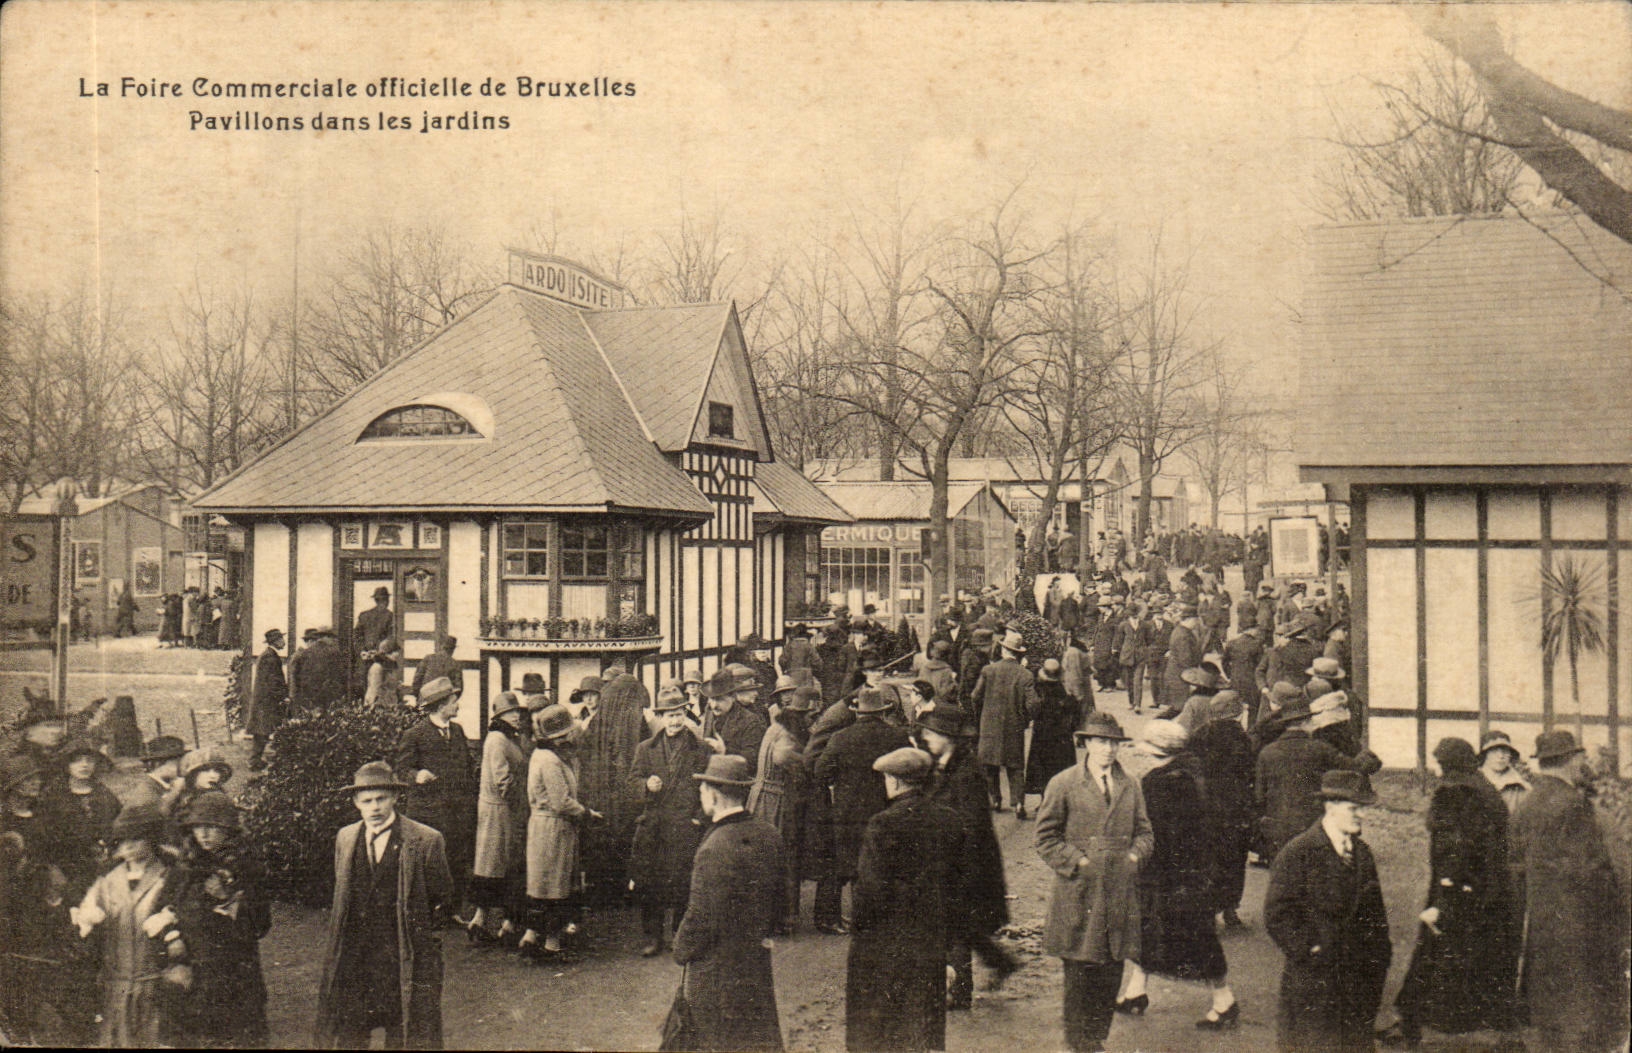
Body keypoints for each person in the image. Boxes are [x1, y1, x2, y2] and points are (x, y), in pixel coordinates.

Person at [1379, 738, 1521, 1050]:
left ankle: (1419, 1027)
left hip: (1460, 890)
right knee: (1461, 957)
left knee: (1437, 954)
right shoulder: (1482, 788)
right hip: (1487, 890)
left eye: (1441, 763)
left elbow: (1455, 849)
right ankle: (1421, 1022)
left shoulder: (1456, 792)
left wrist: (1443, 899)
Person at [1035, 713, 1154, 1053]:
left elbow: (1145, 832)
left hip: (1119, 891)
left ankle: (1097, 1037)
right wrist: (1079, 862)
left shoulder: (1130, 783)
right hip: (1079, 892)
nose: (1109, 749)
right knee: (1078, 968)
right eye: (1101, 741)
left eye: (1114, 742)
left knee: (1111, 965)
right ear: (1086, 743)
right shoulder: (1064, 783)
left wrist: (1134, 857)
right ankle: (1078, 1041)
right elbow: (1045, 838)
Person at [314, 762, 452, 1049]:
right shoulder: (346, 837)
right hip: (356, 956)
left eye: (381, 799)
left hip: (402, 953)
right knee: (350, 1031)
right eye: (367, 801)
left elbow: (442, 898)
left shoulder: (425, 840)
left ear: (395, 798)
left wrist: (424, 941)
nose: (374, 807)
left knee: (405, 1030)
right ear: (356, 803)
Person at [1509, 730, 1628, 1053]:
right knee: (1584, 1013)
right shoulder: (1574, 804)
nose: (1583, 763)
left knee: (1551, 1013)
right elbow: (1592, 870)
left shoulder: (1527, 804)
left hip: (1540, 922)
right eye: (1580, 758)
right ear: (1571, 760)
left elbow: (1515, 865)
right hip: (1579, 924)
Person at [1118, 720, 1240, 1029]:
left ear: (1156, 751)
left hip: (1171, 875)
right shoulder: (1197, 773)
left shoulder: (1158, 782)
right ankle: (1136, 991)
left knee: (1194, 937)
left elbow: (1153, 831)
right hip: (1200, 870)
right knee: (1152, 931)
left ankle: (1224, 1001)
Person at [846, 747, 966, 1053]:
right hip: (930, 943)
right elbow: (958, 890)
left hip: (887, 949)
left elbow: (868, 898)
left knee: (883, 1033)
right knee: (923, 1030)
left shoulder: (883, 824)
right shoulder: (950, 820)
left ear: (896, 782)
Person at [1264, 769, 1391, 1053]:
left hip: (1358, 980)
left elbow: (1375, 914)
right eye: (1353, 808)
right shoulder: (1300, 852)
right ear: (1330, 807)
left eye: (1362, 808)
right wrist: (1312, 949)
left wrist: (1380, 957)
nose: (1361, 815)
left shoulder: (1362, 853)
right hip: (1315, 982)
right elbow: (1277, 914)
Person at [673, 754, 785, 1052]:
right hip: (755, 962)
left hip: (717, 970)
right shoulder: (769, 834)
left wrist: (681, 948)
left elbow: (700, 915)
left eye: (702, 789)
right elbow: (780, 900)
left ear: (713, 793)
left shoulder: (714, 846)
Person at [914, 703, 1017, 1011]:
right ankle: (1001, 963)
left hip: (966, 863)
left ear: (950, 737)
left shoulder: (966, 773)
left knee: (955, 926)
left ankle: (959, 993)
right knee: (964, 925)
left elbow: (970, 826)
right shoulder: (945, 764)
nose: (926, 736)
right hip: (959, 861)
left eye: (933, 732)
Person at [159, 790, 271, 1048]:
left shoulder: (246, 867)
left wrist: (226, 899)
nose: (204, 835)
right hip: (193, 973)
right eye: (198, 828)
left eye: (212, 827)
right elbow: (163, 909)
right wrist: (173, 937)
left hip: (235, 976)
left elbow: (261, 924)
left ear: (228, 829)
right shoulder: (184, 868)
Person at [3, 753, 95, 1045]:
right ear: (11, 787)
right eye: (27, 780)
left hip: (52, 899)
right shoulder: (3, 820)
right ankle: (20, 1025)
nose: (35, 783)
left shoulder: (45, 813)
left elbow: (64, 851)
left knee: (57, 960)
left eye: (36, 778)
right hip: (17, 904)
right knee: (20, 965)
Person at [813, 686, 910, 936]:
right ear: (882, 712)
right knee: (879, 864)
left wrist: (840, 783)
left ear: (857, 712)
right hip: (884, 809)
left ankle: (835, 919)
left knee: (843, 864)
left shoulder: (841, 737)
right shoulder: (896, 737)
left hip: (847, 811)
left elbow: (821, 771)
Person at [630, 684, 710, 957]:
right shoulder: (646, 748)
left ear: (685, 714)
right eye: (669, 715)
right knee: (651, 884)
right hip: (654, 827)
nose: (674, 721)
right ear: (660, 717)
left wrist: (699, 819)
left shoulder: (699, 749)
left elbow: (708, 787)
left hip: (685, 826)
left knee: (682, 883)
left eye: (679, 714)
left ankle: (679, 933)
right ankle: (653, 936)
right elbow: (631, 783)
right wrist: (645, 785)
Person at [1255, 700, 1381, 863]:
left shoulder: (1267, 753)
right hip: (1311, 825)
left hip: (1277, 829)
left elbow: (1259, 796)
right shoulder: (1319, 749)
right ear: (1306, 722)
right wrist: (1368, 757)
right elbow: (1353, 766)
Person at [393, 677, 476, 921]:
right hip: (428, 811)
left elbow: (467, 766)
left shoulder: (458, 731)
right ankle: (427, 911)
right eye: (453, 702)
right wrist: (416, 775)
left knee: (456, 859)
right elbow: (401, 770)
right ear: (440, 706)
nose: (457, 706)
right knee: (428, 861)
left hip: (457, 810)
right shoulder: (415, 734)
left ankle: (452, 910)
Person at [520, 705, 599, 959]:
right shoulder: (551, 760)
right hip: (554, 829)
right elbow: (561, 801)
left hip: (543, 827)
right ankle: (552, 944)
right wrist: (586, 813)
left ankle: (531, 936)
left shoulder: (541, 755)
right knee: (555, 887)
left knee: (539, 885)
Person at [748, 678, 815, 935]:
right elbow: (783, 757)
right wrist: (806, 768)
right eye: (809, 715)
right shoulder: (787, 733)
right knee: (783, 858)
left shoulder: (776, 726)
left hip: (761, 797)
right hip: (775, 802)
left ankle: (768, 917)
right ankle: (782, 919)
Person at [580, 665, 650, 907]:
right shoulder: (619, 723)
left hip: (609, 794)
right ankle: (612, 890)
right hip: (612, 794)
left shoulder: (599, 724)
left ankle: (608, 890)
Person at [1186, 691, 1254, 928]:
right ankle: (1230, 910)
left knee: (1207, 860)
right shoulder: (1242, 739)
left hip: (1205, 810)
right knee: (1234, 861)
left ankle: (1207, 912)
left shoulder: (1198, 736)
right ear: (1235, 713)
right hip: (1235, 811)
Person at [468, 693, 529, 947]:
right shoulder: (496, 740)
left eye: (517, 712)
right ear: (499, 717)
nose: (516, 716)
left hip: (501, 812)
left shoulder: (506, 738)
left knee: (495, 866)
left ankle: (490, 922)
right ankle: (488, 921)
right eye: (510, 712)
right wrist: (525, 804)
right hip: (500, 813)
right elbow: (503, 780)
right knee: (498, 867)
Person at [40, 739, 122, 900]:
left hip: (105, 865)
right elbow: (45, 837)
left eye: (89, 761)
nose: (84, 765)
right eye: (77, 761)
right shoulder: (54, 797)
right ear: (67, 765)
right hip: (69, 867)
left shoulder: (105, 794)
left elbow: (119, 825)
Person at [971, 629, 1037, 815]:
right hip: (1013, 726)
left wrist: (982, 716)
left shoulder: (988, 670)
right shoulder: (1025, 675)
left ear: (1003, 651)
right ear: (1018, 653)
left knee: (989, 764)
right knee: (1015, 766)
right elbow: (1033, 704)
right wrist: (1024, 719)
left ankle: (996, 799)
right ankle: (1018, 803)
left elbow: (975, 696)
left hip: (989, 724)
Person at [1024, 659, 1078, 815]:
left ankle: (1044, 802)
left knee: (1043, 769)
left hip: (1043, 737)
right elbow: (1075, 714)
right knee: (1061, 769)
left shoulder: (1039, 692)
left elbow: (1033, 710)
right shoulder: (1065, 693)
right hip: (1062, 738)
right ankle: (1061, 804)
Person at [699, 668, 769, 774]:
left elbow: (753, 762)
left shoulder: (751, 721)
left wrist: (725, 751)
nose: (714, 705)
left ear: (732, 697)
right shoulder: (710, 712)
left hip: (736, 782)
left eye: (719, 699)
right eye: (711, 699)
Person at [246, 628, 289, 772]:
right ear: (275, 641)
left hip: (264, 701)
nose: (284, 642)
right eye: (281, 639)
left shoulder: (268, 655)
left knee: (262, 732)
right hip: (266, 702)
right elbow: (273, 682)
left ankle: (255, 760)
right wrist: (283, 696)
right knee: (262, 731)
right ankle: (254, 761)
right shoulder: (270, 657)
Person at [121, 734, 188, 814]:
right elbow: (160, 815)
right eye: (177, 763)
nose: (183, 766)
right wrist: (175, 792)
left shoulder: (161, 785)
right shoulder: (147, 793)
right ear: (159, 764)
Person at [288, 627, 347, 718]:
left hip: (309, 700)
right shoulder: (334, 652)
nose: (334, 641)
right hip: (327, 699)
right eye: (332, 638)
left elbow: (298, 678)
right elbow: (339, 676)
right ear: (326, 637)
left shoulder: (305, 653)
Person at [1115, 602, 1156, 713]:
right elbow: (1119, 640)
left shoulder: (1144, 625)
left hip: (1140, 656)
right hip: (1127, 656)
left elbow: (1149, 639)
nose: (1134, 616)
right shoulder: (1123, 625)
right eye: (1131, 614)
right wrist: (1123, 650)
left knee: (1138, 680)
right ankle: (1131, 702)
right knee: (1129, 681)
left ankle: (1137, 704)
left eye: (1135, 613)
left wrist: (1143, 649)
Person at [1476, 730, 1530, 812]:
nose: (1501, 756)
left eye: (1505, 751)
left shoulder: (1520, 787)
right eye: (1494, 751)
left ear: (1510, 755)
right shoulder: (1473, 781)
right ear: (1485, 754)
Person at [354, 586, 396, 682]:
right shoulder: (391, 616)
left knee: (364, 684)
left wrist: (362, 651)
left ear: (375, 600)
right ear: (387, 600)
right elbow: (392, 637)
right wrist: (379, 652)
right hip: (382, 659)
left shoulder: (364, 615)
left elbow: (357, 637)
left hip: (364, 658)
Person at [410, 635, 464, 701]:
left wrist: (419, 697)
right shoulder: (455, 664)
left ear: (440, 646)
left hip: (425, 700)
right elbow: (458, 689)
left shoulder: (428, 658)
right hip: (444, 703)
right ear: (453, 649)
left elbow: (417, 681)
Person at [363, 637, 404, 708]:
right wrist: (374, 706)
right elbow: (374, 690)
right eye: (394, 651)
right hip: (380, 706)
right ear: (387, 653)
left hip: (390, 705)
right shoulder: (377, 667)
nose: (397, 654)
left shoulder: (391, 667)